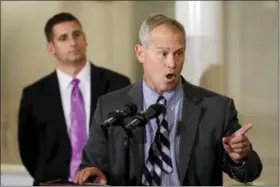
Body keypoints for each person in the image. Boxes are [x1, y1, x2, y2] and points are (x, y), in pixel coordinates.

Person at [75, 13, 262, 186]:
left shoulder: (217, 109)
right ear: (140, 53)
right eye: (163, 54)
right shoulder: (110, 106)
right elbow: (91, 167)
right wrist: (91, 174)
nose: (172, 63)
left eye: (178, 53)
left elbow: (250, 172)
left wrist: (240, 156)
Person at [18, 12, 131, 185]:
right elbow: (28, 150)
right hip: (53, 184)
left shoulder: (118, 84)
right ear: (51, 47)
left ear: (85, 39)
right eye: (63, 38)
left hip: (105, 182)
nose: (73, 42)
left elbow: (127, 140)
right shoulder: (34, 94)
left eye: (77, 34)